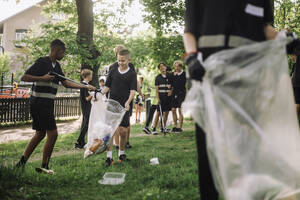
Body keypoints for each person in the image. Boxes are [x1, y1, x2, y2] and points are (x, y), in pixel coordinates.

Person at [183, 1, 279, 199]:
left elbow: (264, 27)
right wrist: (191, 57)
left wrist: (285, 40)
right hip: (210, 80)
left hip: (249, 80)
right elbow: (190, 30)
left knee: (247, 150)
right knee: (209, 152)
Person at [15, 39, 95, 174]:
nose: (63, 55)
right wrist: (43, 78)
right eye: (62, 52)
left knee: (40, 134)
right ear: (55, 50)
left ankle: (21, 163)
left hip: (46, 103)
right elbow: (24, 77)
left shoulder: (56, 66)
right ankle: (45, 166)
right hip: (40, 102)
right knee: (53, 134)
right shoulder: (42, 62)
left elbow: (66, 83)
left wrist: (85, 86)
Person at [100, 49, 137, 167]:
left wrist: (128, 102)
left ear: (128, 60)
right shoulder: (112, 71)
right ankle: (109, 157)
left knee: (123, 131)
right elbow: (106, 87)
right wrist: (99, 94)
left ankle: (121, 154)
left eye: (123, 61)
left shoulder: (132, 73)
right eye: (119, 61)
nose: (120, 63)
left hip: (125, 105)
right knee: (110, 130)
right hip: (112, 104)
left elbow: (133, 91)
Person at [109, 45, 142, 149]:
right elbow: (108, 84)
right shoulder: (112, 67)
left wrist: (139, 92)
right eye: (118, 53)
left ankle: (126, 141)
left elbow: (134, 82)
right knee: (115, 122)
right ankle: (117, 144)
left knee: (126, 120)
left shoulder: (130, 66)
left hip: (127, 97)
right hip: (114, 98)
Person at [75, 69, 93, 149]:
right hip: (86, 107)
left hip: (86, 106)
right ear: (88, 76)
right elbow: (87, 98)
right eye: (91, 75)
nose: (92, 76)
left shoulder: (85, 84)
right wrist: (93, 94)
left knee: (84, 124)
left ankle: (81, 142)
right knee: (86, 124)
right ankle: (79, 141)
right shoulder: (84, 85)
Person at [151, 63, 172, 135]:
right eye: (160, 67)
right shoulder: (158, 77)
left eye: (163, 66)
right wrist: (158, 99)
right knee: (158, 113)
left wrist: (171, 91)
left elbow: (172, 86)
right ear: (159, 69)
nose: (162, 68)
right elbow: (157, 91)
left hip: (168, 98)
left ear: (165, 67)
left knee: (166, 112)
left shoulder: (170, 76)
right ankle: (154, 128)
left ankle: (163, 127)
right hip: (161, 98)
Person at [171, 60, 186, 133]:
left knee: (180, 110)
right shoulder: (173, 74)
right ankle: (175, 126)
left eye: (177, 66)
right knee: (173, 110)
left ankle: (180, 127)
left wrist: (177, 75)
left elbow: (183, 83)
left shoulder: (184, 74)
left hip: (181, 93)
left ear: (180, 66)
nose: (176, 68)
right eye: (175, 66)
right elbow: (171, 84)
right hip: (174, 94)